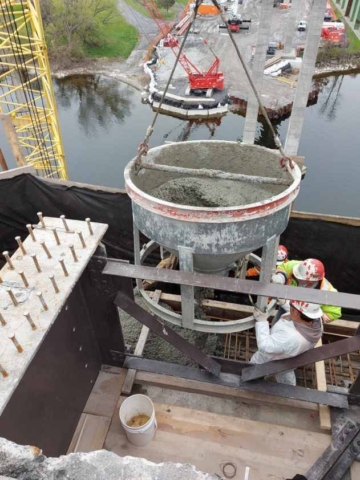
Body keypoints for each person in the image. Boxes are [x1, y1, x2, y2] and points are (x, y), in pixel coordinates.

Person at [251, 300, 323, 386]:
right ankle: (289, 389)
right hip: (290, 359)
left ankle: (251, 382)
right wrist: (284, 303)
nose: (290, 309)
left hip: (272, 359)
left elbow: (264, 346)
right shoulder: (316, 323)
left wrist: (261, 321)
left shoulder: (290, 337)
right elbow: (299, 312)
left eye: (292, 308)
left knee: (254, 368)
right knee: (285, 373)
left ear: (296, 313)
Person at [271, 258, 341, 324]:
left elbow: (334, 313)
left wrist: (309, 318)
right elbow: (284, 267)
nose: (296, 278)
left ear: (312, 281)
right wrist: (281, 277)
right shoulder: (299, 267)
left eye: (299, 278)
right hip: (286, 307)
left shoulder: (327, 292)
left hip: (305, 318)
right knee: (277, 324)